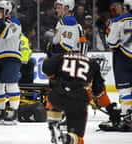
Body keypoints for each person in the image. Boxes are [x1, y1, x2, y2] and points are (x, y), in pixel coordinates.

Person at [42, 53, 121, 144]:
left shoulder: (60, 57)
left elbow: (47, 69)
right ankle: (67, 139)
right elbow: (99, 92)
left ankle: (53, 124)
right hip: (78, 102)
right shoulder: (93, 64)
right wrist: (110, 108)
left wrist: (47, 60)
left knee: (53, 94)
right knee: (77, 138)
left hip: (57, 97)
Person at [100, 0, 132, 131]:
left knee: (125, 90)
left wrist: (109, 32)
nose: (118, 8)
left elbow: (111, 44)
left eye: (121, 6)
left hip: (123, 58)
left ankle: (127, 118)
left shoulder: (118, 21)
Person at [0, 0, 22, 125]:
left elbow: (5, 34)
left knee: (11, 83)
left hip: (11, 56)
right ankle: (0, 110)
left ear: (7, 12)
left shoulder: (15, 23)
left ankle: (14, 111)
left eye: (0, 10)